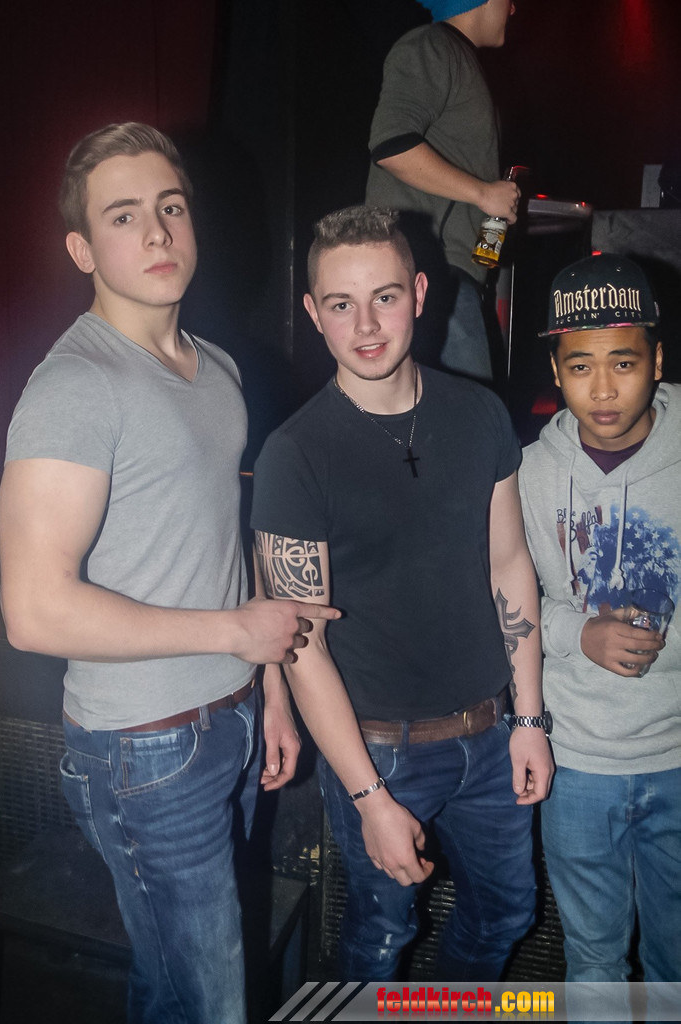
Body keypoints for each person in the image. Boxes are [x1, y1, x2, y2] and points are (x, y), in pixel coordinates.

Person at [0, 122, 338, 1024]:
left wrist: (266, 688)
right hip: (143, 750)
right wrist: (235, 634)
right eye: (122, 216)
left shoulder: (215, 368)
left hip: (228, 718)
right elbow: (33, 611)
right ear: (82, 249)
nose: (155, 232)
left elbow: (220, 548)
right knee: (214, 1004)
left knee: (173, 986)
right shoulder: (75, 388)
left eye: (170, 207)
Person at [251, 205, 553, 982]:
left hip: (490, 733)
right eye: (341, 304)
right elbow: (301, 644)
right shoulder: (294, 454)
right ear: (313, 312)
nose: (365, 326)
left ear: (418, 293)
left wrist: (527, 719)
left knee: (507, 914)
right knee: (379, 940)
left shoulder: (479, 414)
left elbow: (509, 565)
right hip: (379, 749)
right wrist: (367, 797)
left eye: (383, 297)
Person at [518, 253, 681, 985]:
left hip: (677, 753)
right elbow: (512, 595)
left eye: (624, 362)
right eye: (580, 366)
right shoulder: (529, 473)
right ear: (556, 373)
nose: (604, 388)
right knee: (590, 962)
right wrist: (576, 633)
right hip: (577, 757)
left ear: (656, 361)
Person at [365, 0, 520, 382]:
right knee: (471, 413)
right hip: (432, 274)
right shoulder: (430, 46)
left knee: (465, 410)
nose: (513, 9)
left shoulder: (459, 57)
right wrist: (484, 193)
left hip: (452, 278)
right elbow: (391, 146)